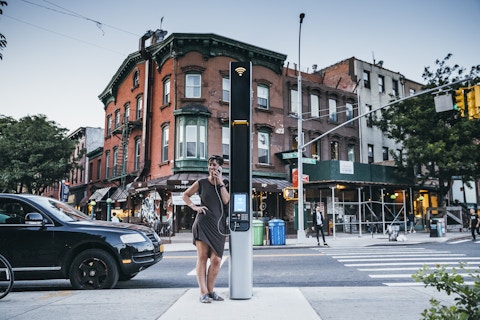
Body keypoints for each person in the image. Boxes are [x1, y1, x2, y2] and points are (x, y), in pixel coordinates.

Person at [182, 155, 230, 303]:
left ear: (220, 167)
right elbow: (185, 195)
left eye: (215, 165)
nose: (212, 167)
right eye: (210, 165)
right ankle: (203, 292)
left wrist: (220, 182)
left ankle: (211, 290)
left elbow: (226, 200)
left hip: (218, 226)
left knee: (216, 260)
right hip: (203, 223)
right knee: (202, 258)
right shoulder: (201, 182)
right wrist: (194, 207)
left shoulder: (225, 183)